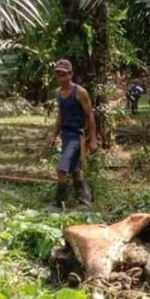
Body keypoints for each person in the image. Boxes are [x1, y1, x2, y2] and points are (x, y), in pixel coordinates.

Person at [48, 59, 98, 210]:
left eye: (63, 74)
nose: (61, 78)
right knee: (75, 169)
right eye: (58, 75)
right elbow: (60, 116)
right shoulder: (58, 93)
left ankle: (60, 203)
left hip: (77, 136)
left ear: (70, 74)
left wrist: (93, 139)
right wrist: (54, 135)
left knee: (62, 168)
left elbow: (90, 115)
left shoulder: (80, 92)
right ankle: (84, 200)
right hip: (65, 135)